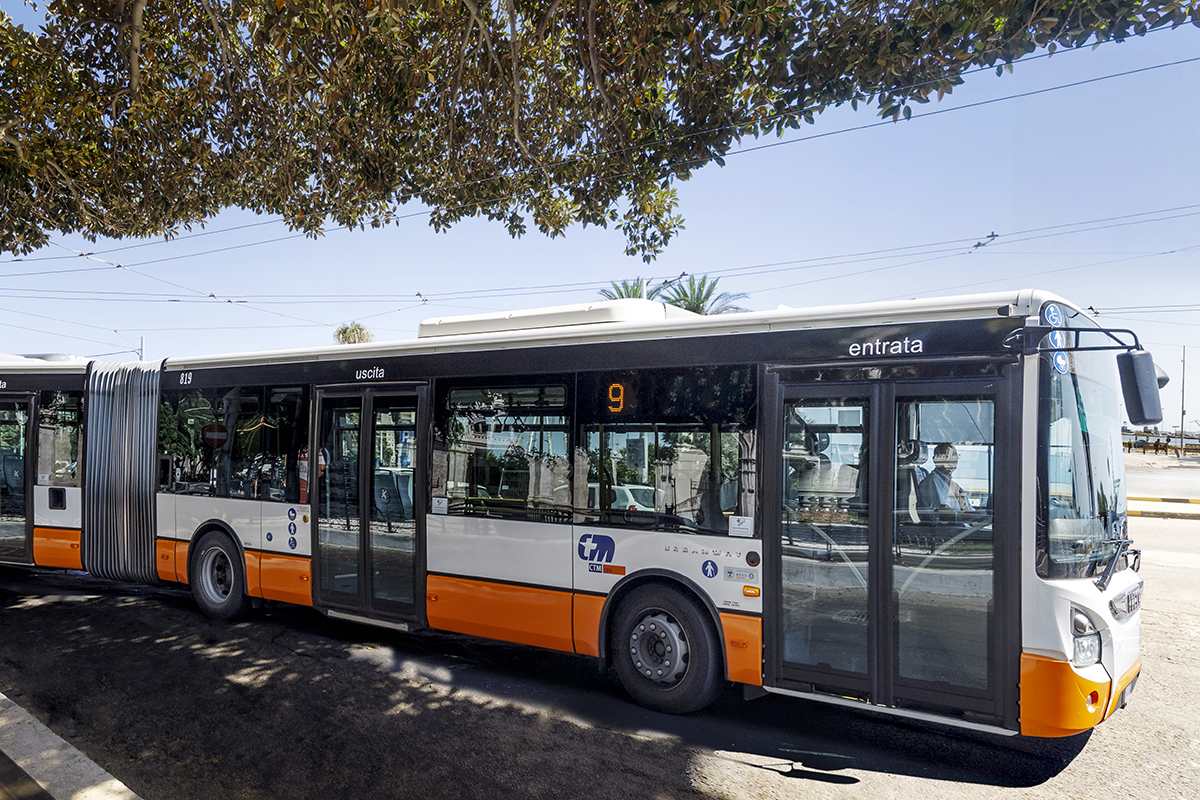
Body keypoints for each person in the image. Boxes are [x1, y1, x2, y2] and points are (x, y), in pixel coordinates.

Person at [917, 443, 974, 512]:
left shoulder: (952, 484)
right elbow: (941, 514)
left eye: (953, 455)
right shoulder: (933, 482)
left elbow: (969, 510)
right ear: (935, 459)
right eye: (945, 456)